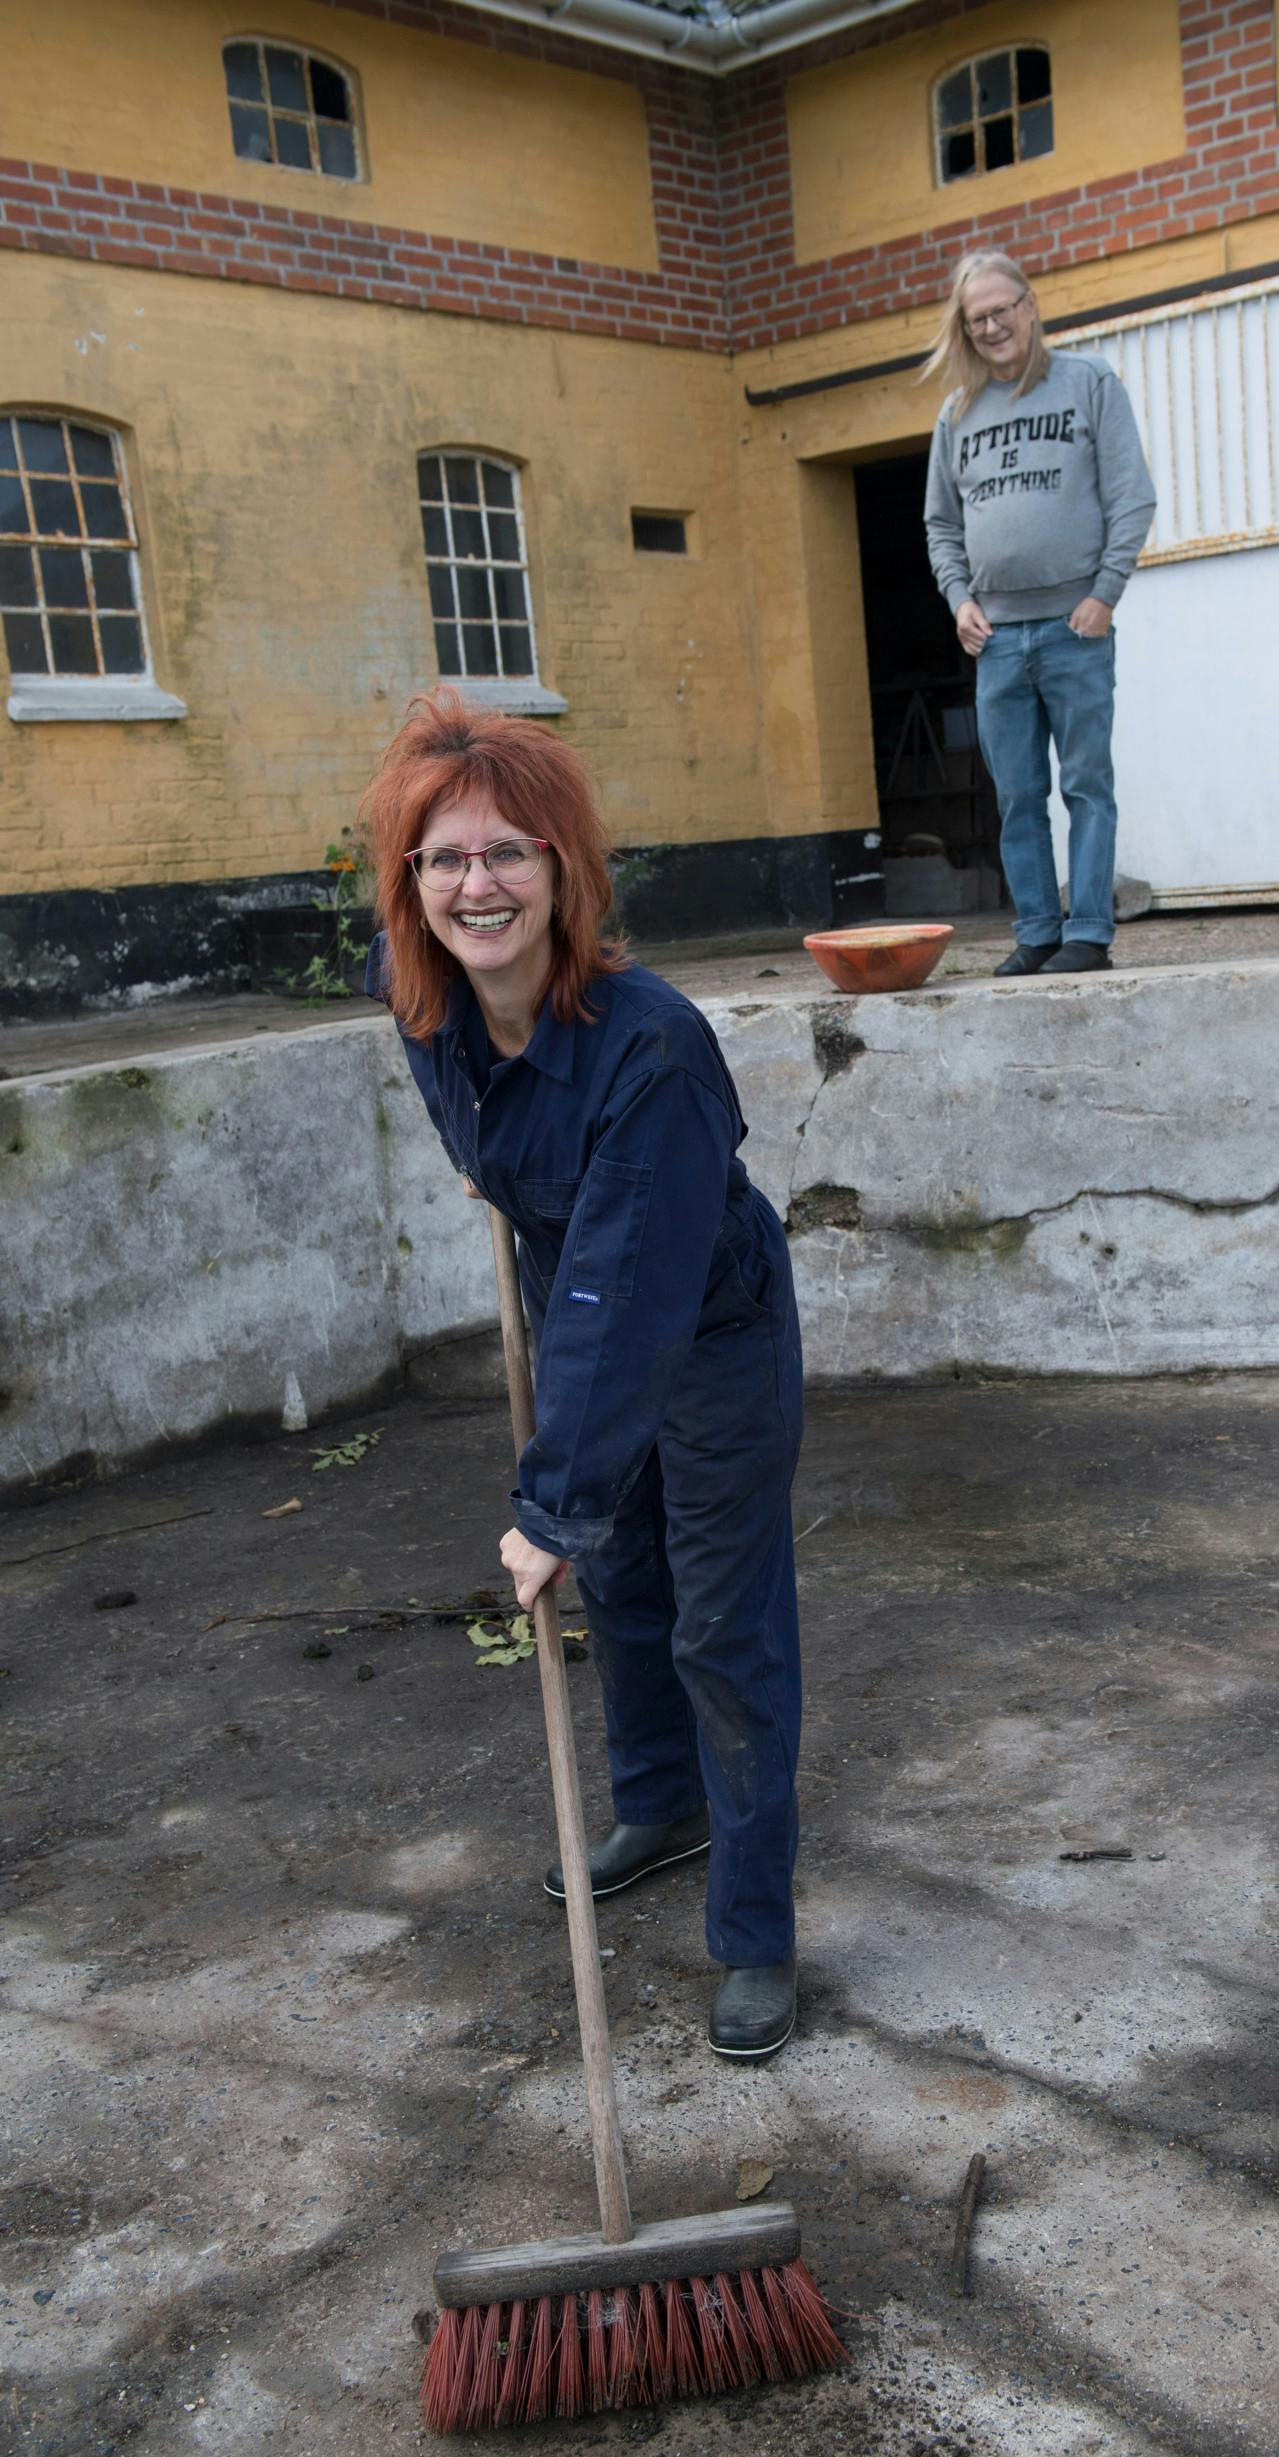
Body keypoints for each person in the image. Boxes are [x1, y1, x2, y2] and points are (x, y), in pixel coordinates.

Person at [360, 691, 804, 2061]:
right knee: (623, 1596)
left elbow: (632, 1286)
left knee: (720, 1631)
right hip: (580, 1297)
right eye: (444, 859)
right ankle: (657, 1808)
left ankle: (753, 1933)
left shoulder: (650, 1047)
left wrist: (553, 1501)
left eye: (507, 852)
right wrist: (580, 1511)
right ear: (411, 884)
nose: (475, 884)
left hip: (708, 1331)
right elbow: (550, 1235)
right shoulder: (422, 1003)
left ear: (564, 870)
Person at [922, 250, 1156, 977]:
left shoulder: (1089, 383)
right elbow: (941, 525)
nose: (992, 326)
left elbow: (1131, 496)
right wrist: (959, 600)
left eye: (1001, 309)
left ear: (1029, 306)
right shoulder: (956, 414)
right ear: (963, 328)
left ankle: (1086, 931)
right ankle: (1036, 932)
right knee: (1018, 795)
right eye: (976, 318)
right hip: (994, 639)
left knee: (1086, 784)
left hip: (1073, 629)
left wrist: (1103, 594)